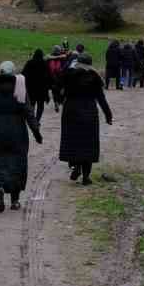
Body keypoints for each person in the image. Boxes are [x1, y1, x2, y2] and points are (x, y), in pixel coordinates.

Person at [0, 60, 42, 211]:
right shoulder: (20, 87)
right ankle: (15, 200)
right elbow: (28, 111)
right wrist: (36, 131)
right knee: (17, 161)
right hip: (17, 128)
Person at [58, 52, 112, 184]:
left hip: (71, 110)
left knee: (73, 139)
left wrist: (59, 100)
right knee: (89, 142)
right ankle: (86, 176)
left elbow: (59, 89)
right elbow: (101, 98)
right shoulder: (95, 77)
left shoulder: (69, 74)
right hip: (89, 111)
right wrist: (108, 114)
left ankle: (76, 165)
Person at [24, 48, 52, 123]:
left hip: (31, 88)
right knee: (40, 105)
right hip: (42, 89)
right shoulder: (45, 64)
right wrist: (49, 87)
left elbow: (23, 74)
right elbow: (49, 77)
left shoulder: (29, 63)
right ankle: (37, 119)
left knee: (32, 104)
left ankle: (32, 119)